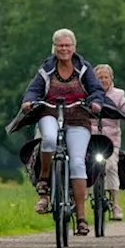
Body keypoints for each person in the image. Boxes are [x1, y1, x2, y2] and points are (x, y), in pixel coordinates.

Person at [19, 28, 105, 235]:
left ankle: (82, 218)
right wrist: (28, 101)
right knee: (48, 139)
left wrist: (95, 103)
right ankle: (44, 179)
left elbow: (96, 90)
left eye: (67, 45)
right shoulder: (46, 69)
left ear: (73, 47)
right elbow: (33, 89)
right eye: (60, 45)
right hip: (50, 113)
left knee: (77, 162)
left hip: (78, 118)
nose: (64, 49)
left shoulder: (84, 68)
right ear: (54, 47)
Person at [90, 63, 125, 220]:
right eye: (99, 77)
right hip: (91, 138)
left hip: (111, 139)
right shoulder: (88, 93)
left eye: (106, 77)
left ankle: (115, 204)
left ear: (111, 79)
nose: (103, 80)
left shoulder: (118, 94)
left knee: (110, 166)